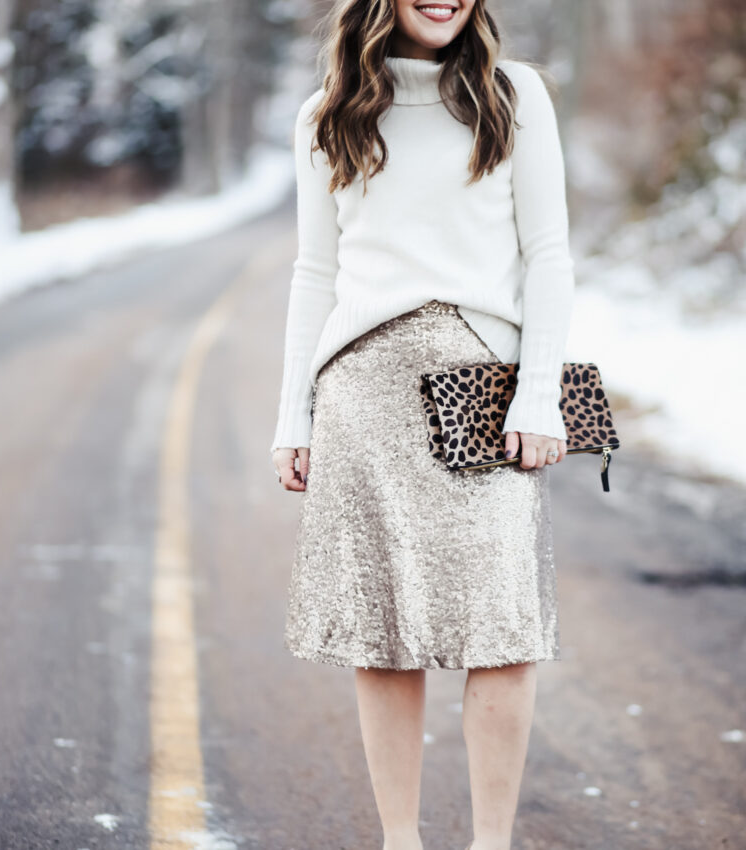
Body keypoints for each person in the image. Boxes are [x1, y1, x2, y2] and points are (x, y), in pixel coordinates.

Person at [270, 0, 574, 847]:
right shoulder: (327, 112)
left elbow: (548, 254)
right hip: (361, 395)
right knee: (384, 632)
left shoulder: (514, 94)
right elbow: (314, 272)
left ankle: (492, 843)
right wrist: (293, 417)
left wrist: (539, 394)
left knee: (503, 628)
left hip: (484, 393)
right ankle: (399, 840)